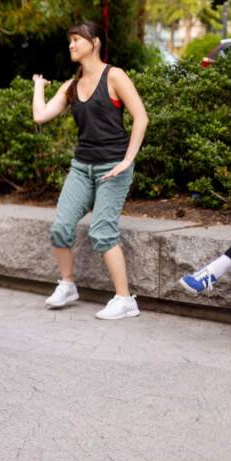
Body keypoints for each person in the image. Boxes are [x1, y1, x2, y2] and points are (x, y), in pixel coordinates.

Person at [31, 20, 149, 319]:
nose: (71, 45)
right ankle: (67, 284)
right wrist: (37, 87)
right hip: (82, 167)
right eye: (69, 40)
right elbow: (41, 116)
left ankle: (125, 300)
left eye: (77, 40)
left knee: (102, 233)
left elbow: (141, 117)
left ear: (94, 42)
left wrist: (127, 160)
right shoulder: (71, 86)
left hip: (113, 167)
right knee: (60, 227)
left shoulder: (115, 76)